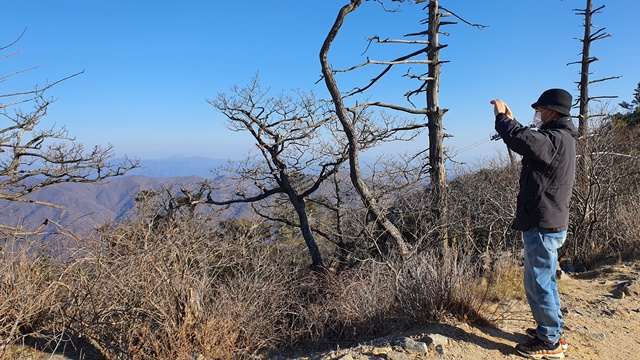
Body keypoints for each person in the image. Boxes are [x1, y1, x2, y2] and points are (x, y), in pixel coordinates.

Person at [490, 88, 577, 359]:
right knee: (545, 280)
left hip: (543, 222)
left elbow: (525, 141)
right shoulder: (563, 138)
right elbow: (528, 140)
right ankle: (551, 331)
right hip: (550, 218)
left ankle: (549, 340)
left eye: (540, 110)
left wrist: (503, 119)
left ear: (552, 112)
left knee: (539, 282)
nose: (537, 114)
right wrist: (512, 123)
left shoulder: (554, 138)